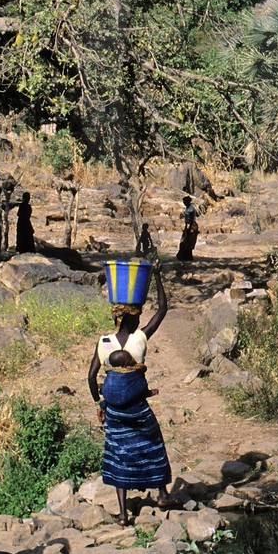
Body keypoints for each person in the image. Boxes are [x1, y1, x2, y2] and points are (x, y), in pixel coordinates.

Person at [88, 263, 173, 525]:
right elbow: (162, 309)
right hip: (138, 409)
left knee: (119, 454)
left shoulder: (103, 343)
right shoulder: (139, 339)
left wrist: (100, 402)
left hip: (114, 411)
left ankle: (124, 515)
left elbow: (91, 377)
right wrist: (157, 275)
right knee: (153, 446)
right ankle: (161, 494)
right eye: (137, 316)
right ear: (134, 318)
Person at [175, 195, 198, 264]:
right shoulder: (188, 208)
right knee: (185, 241)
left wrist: (188, 229)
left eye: (184, 202)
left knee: (187, 241)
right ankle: (184, 256)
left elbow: (190, 220)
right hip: (188, 225)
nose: (184, 203)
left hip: (191, 226)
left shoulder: (191, 209)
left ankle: (186, 256)